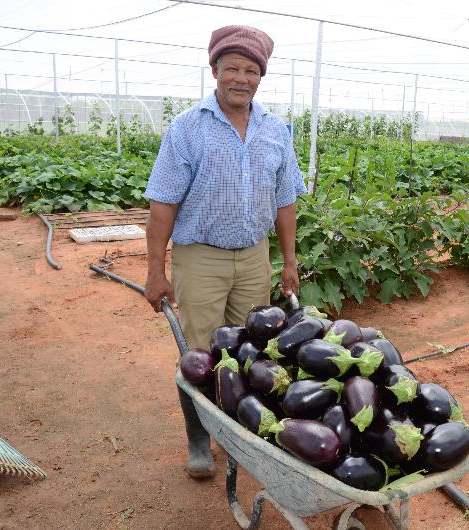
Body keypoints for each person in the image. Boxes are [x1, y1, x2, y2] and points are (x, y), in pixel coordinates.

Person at [143, 25, 307, 479]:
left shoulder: (275, 130)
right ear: (214, 69)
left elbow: (285, 202)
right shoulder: (188, 127)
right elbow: (163, 205)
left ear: (261, 77)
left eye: (251, 71)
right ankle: (199, 439)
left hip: (253, 256)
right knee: (199, 355)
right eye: (232, 68)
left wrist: (288, 262)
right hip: (201, 256)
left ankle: (240, 436)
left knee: (252, 350)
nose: (241, 78)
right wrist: (155, 271)